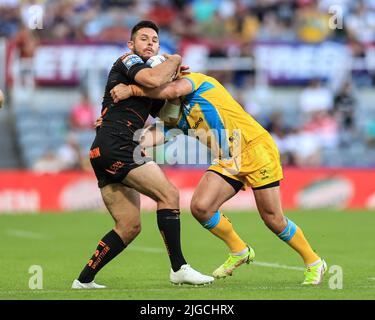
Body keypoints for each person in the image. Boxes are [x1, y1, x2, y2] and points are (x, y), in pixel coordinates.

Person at [109, 68, 327, 285]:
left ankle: (314, 261)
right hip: (229, 159)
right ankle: (240, 250)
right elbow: (153, 135)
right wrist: (116, 136)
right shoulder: (175, 115)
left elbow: (173, 89)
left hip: (255, 148)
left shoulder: (196, 82)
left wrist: (132, 90)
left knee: (272, 218)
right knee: (201, 207)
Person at [71, 21, 213, 289]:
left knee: (128, 226)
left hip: (105, 148)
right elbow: (152, 79)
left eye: (155, 40)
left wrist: (173, 82)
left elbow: (168, 117)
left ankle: (84, 280)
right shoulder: (127, 60)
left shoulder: (151, 82)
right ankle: (179, 267)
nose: (150, 43)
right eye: (144, 38)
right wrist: (176, 59)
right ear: (131, 45)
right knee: (169, 195)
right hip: (118, 144)